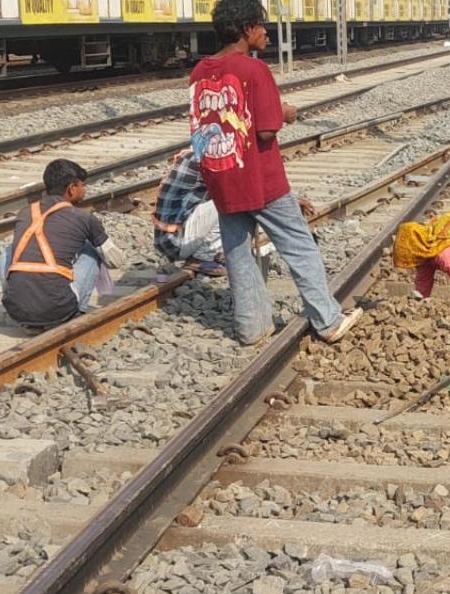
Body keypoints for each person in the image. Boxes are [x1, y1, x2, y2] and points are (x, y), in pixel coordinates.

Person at [189, 0, 361, 345]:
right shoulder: (254, 71)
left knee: (238, 256)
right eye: (260, 25)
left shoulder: (200, 72)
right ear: (245, 30)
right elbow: (266, 129)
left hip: (222, 177)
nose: (265, 31)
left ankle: (251, 328)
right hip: (261, 179)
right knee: (299, 246)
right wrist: (286, 113)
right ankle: (327, 320)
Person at [0, 159, 117, 329]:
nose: (85, 190)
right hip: (58, 310)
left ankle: (21, 302)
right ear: (71, 188)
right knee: (91, 251)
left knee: (9, 251)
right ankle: (77, 313)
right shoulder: (84, 218)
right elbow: (115, 261)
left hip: (17, 312)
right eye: (82, 185)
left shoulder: (25, 212)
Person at [151, 149, 227, 277]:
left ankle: (211, 251)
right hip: (175, 242)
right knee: (228, 201)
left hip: (168, 238)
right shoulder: (207, 159)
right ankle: (202, 257)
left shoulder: (196, 152)